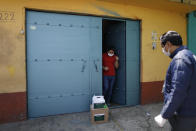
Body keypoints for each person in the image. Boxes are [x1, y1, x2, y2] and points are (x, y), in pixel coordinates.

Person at [156, 31, 196, 131]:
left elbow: (178, 90)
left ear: (168, 44)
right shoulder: (189, 55)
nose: (163, 49)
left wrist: (164, 114)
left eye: (163, 46)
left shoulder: (180, 59)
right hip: (190, 109)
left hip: (184, 113)